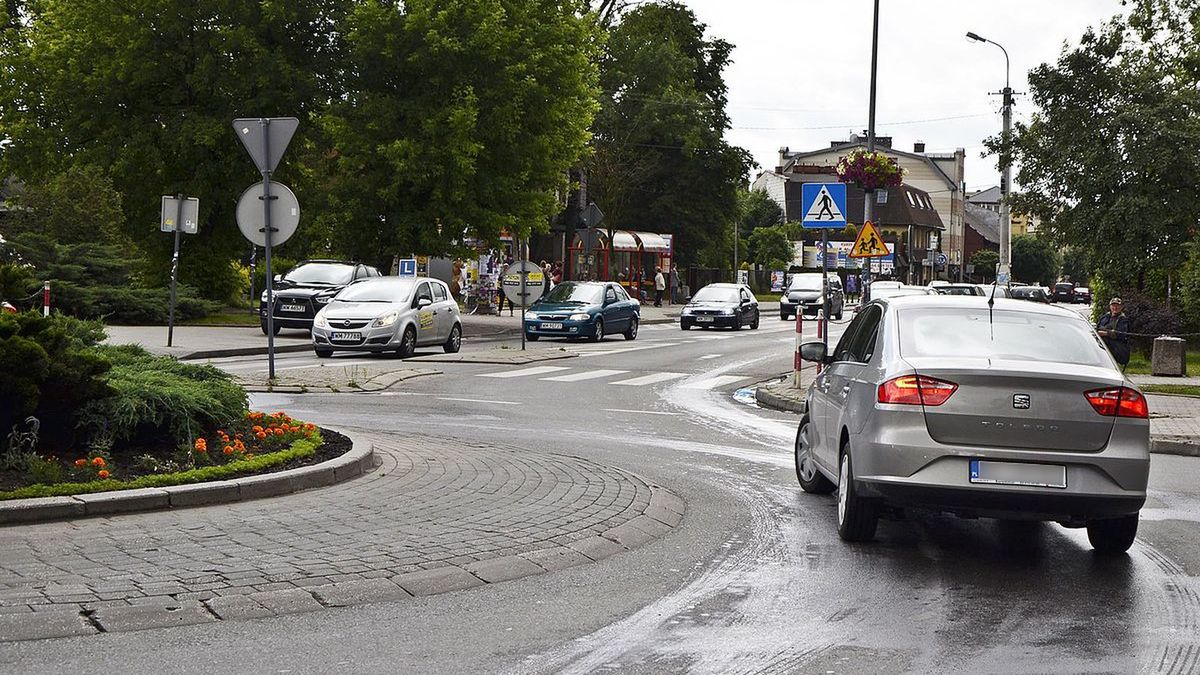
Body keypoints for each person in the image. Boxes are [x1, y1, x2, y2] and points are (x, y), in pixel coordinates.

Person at [1096, 297, 1131, 366]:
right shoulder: (1105, 317)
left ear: (1121, 307)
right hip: (1101, 341)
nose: (1115, 308)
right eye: (1113, 306)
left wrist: (1105, 333)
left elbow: (1121, 334)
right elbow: (1097, 328)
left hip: (1116, 346)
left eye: (1117, 306)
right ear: (1110, 307)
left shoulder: (1123, 320)